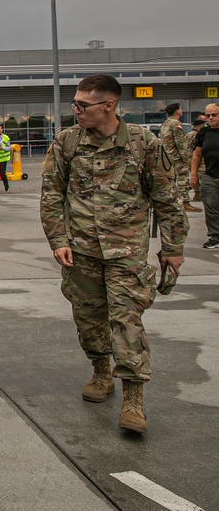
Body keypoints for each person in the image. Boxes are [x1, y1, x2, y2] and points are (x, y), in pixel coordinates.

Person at [41, 75, 186, 434]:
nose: (75, 110)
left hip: (127, 253)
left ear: (109, 105)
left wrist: (173, 249)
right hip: (81, 253)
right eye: (74, 103)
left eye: (82, 105)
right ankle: (100, 371)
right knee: (89, 323)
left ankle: (133, 400)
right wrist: (58, 239)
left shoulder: (143, 143)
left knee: (127, 323)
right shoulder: (67, 142)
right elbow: (51, 195)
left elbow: (167, 200)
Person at [158, 103, 199, 212]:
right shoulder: (176, 123)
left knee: (171, 180)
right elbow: (180, 143)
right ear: (177, 111)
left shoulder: (165, 123)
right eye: (180, 109)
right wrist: (186, 158)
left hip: (167, 157)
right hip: (177, 157)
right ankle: (185, 202)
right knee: (182, 179)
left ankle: (174, 202)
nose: (182, 110)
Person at [191, 103, 219, 249]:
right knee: (211, 206)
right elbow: (197, 154)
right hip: (210, 175)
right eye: (208, 115)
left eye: (214, 115)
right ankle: (215, 236)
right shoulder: (204, 133)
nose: (211, 118)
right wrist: (193, 174)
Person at [186, 118, 206, 203]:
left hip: (190, 158)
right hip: (197, 159)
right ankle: (199, 194)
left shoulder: (188, 134)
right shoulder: (196, 135)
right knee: (201, 176)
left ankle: (197, 194)